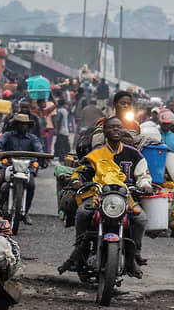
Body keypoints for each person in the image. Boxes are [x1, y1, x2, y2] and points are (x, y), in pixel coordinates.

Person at [58, 117, 152, 276]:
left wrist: (145, 185)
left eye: (118, 127)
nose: (116, 130)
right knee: (83, 213)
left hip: (125, 196)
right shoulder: (95, 154)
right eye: (111, 127)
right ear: (105, 132)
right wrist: (76, 180)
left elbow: (143, 175)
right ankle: (79, 253)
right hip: (98, 195)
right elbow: (81, 171)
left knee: (141, 219)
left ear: (122, 131)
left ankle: (133, 255)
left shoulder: (134, 154)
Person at [0, 114, 45, 224]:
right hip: (9, 166)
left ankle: (25, 212)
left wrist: (42, 157)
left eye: (25, 124)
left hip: (26, 168)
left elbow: (39, 149)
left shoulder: (32, 138)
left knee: (31, 185)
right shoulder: (8, 135)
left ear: (28, 126)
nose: (22, 126)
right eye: (20, 124)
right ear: (15, 125)